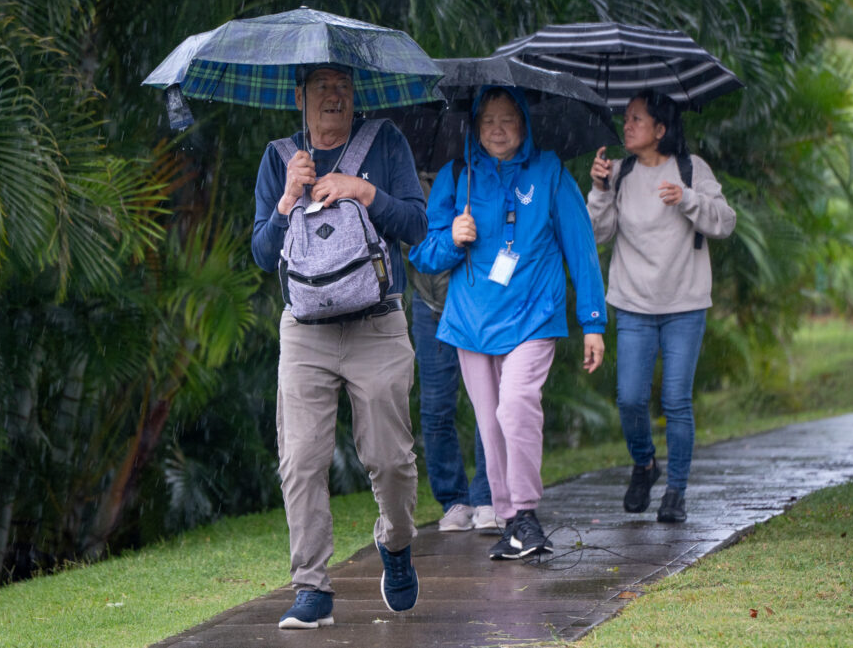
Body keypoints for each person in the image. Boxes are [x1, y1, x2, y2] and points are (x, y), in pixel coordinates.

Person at [252, 63, 426, 629]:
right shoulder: (280, 157)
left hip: (377, 323)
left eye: (344, 87)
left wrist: (364, 191)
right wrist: (286, 200)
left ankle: (395, 544)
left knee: (389, 460)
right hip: (305, 332)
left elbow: (417, 225)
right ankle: (312, 589)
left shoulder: (386, 141)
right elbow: (260, 252)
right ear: (299, 96)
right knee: (300, 459)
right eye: (323, 86)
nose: (335, 96)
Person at [409, 86, 607, 560]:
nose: (498, 130)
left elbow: (581, 248)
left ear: (525, 124)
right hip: (471, 321)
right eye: (488, 121)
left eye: (508, 119)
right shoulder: (458, 176)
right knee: (489, 422)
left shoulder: (550, 171)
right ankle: (509, 519)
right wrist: (453, 237)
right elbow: (424, 253)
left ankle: (525, 513)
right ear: (475, 127)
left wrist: (593, 321)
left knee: (516, 406)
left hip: (535, 314)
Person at [587, 92, 736, 524]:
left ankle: (676, 491)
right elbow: (598, 233)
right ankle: (645, 463)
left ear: (660, 130)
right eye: (626, 118)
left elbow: (725, 222)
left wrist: (688, 198)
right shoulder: (618, 173)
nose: (627, 126)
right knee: (630, 399)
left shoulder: (692, 169)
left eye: (636, 119)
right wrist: (598, 189)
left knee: (676, 400)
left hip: (684, 305)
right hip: (633, 303)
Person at [408, 172, 498, 533]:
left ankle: (489, 495)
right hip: (429, 307)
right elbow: (413, 246)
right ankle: (454, 500)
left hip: (480, 306)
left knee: (486, 402)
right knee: (435, 408)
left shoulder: (477, 170)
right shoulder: (404, 179)